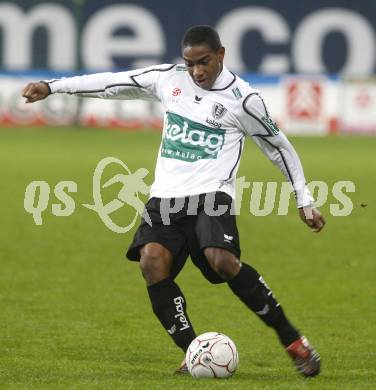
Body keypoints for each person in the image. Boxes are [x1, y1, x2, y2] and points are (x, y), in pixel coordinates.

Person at [22, 25, 325, 377]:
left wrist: (303, 198)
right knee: (151, 263)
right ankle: (195, 352)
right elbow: (111, 83)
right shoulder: (169, 79)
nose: (197, 71)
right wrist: (53, 86)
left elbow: (279, 149)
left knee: (222, 261)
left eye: (205, 62)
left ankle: (292, 341)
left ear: (221, 55)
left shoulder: (244, 100)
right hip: (165, 198)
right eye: (190, 62)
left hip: (212, 195)